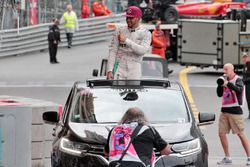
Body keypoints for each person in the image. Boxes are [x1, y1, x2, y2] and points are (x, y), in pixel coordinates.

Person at [104, 107, 171, 167]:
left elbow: (106, 153)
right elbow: (166, 151)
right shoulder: (149, 130)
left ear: (125, 117)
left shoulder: (115, 130)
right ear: (143, 117)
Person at [216, 63, 250, 165]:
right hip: (224, 111)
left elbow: (239, 90)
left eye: (226, 69)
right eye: (224, 69)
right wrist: (220, 84)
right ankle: (227, 157)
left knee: (240, 134)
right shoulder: (223, 79)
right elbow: (219, 94)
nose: (225, 71)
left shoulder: (238, 79)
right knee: (221, 134)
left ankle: (249, 157)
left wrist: (228, 83)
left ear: (232, 70)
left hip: (235, 111)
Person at [107, 6, 151, 80]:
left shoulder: (146, 33)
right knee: (117, 91)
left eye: (131, 18)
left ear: (138, 18)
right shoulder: (119, 30)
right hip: (119, 66)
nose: (128, 20)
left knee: (133, 91)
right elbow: (112, 51)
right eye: (127, 17)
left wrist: (126, 40)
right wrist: (109, 70)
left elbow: (142, 51)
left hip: (135, 67)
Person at [242, 52, 250, 119]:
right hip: (247, 85)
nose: (244, 58)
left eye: (246, 57)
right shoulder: (245, 65)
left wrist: (245, 80)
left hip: (249, 84)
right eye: (243, 57)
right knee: (248, 99)